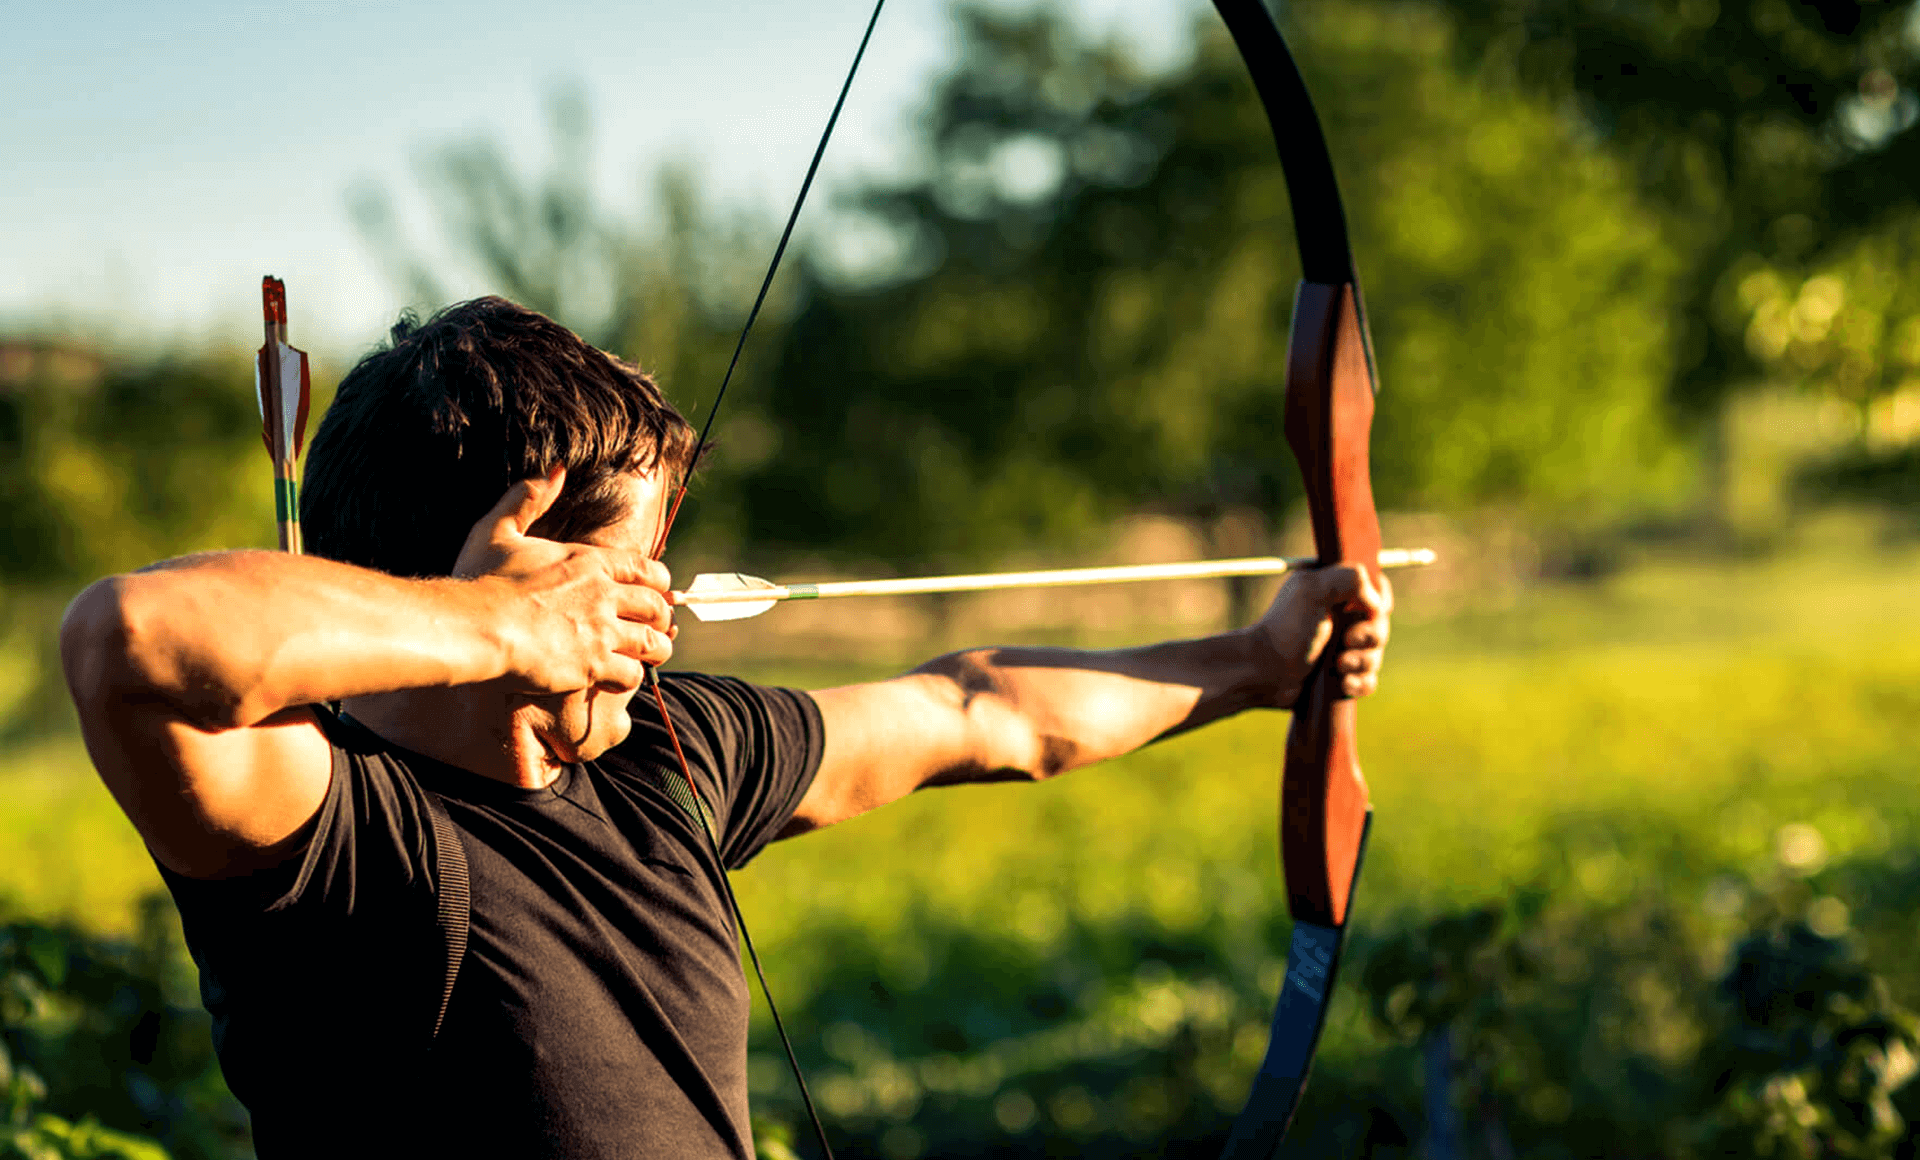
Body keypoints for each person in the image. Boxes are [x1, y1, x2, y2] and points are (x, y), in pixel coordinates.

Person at [59, 297, 1390, 1158]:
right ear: (529, 572)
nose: (664, 614)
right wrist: (502, 632)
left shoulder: (665, 757)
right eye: (632, 573)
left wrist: (1260, 663)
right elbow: (129, 640)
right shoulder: (336, 840)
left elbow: (981, 710)